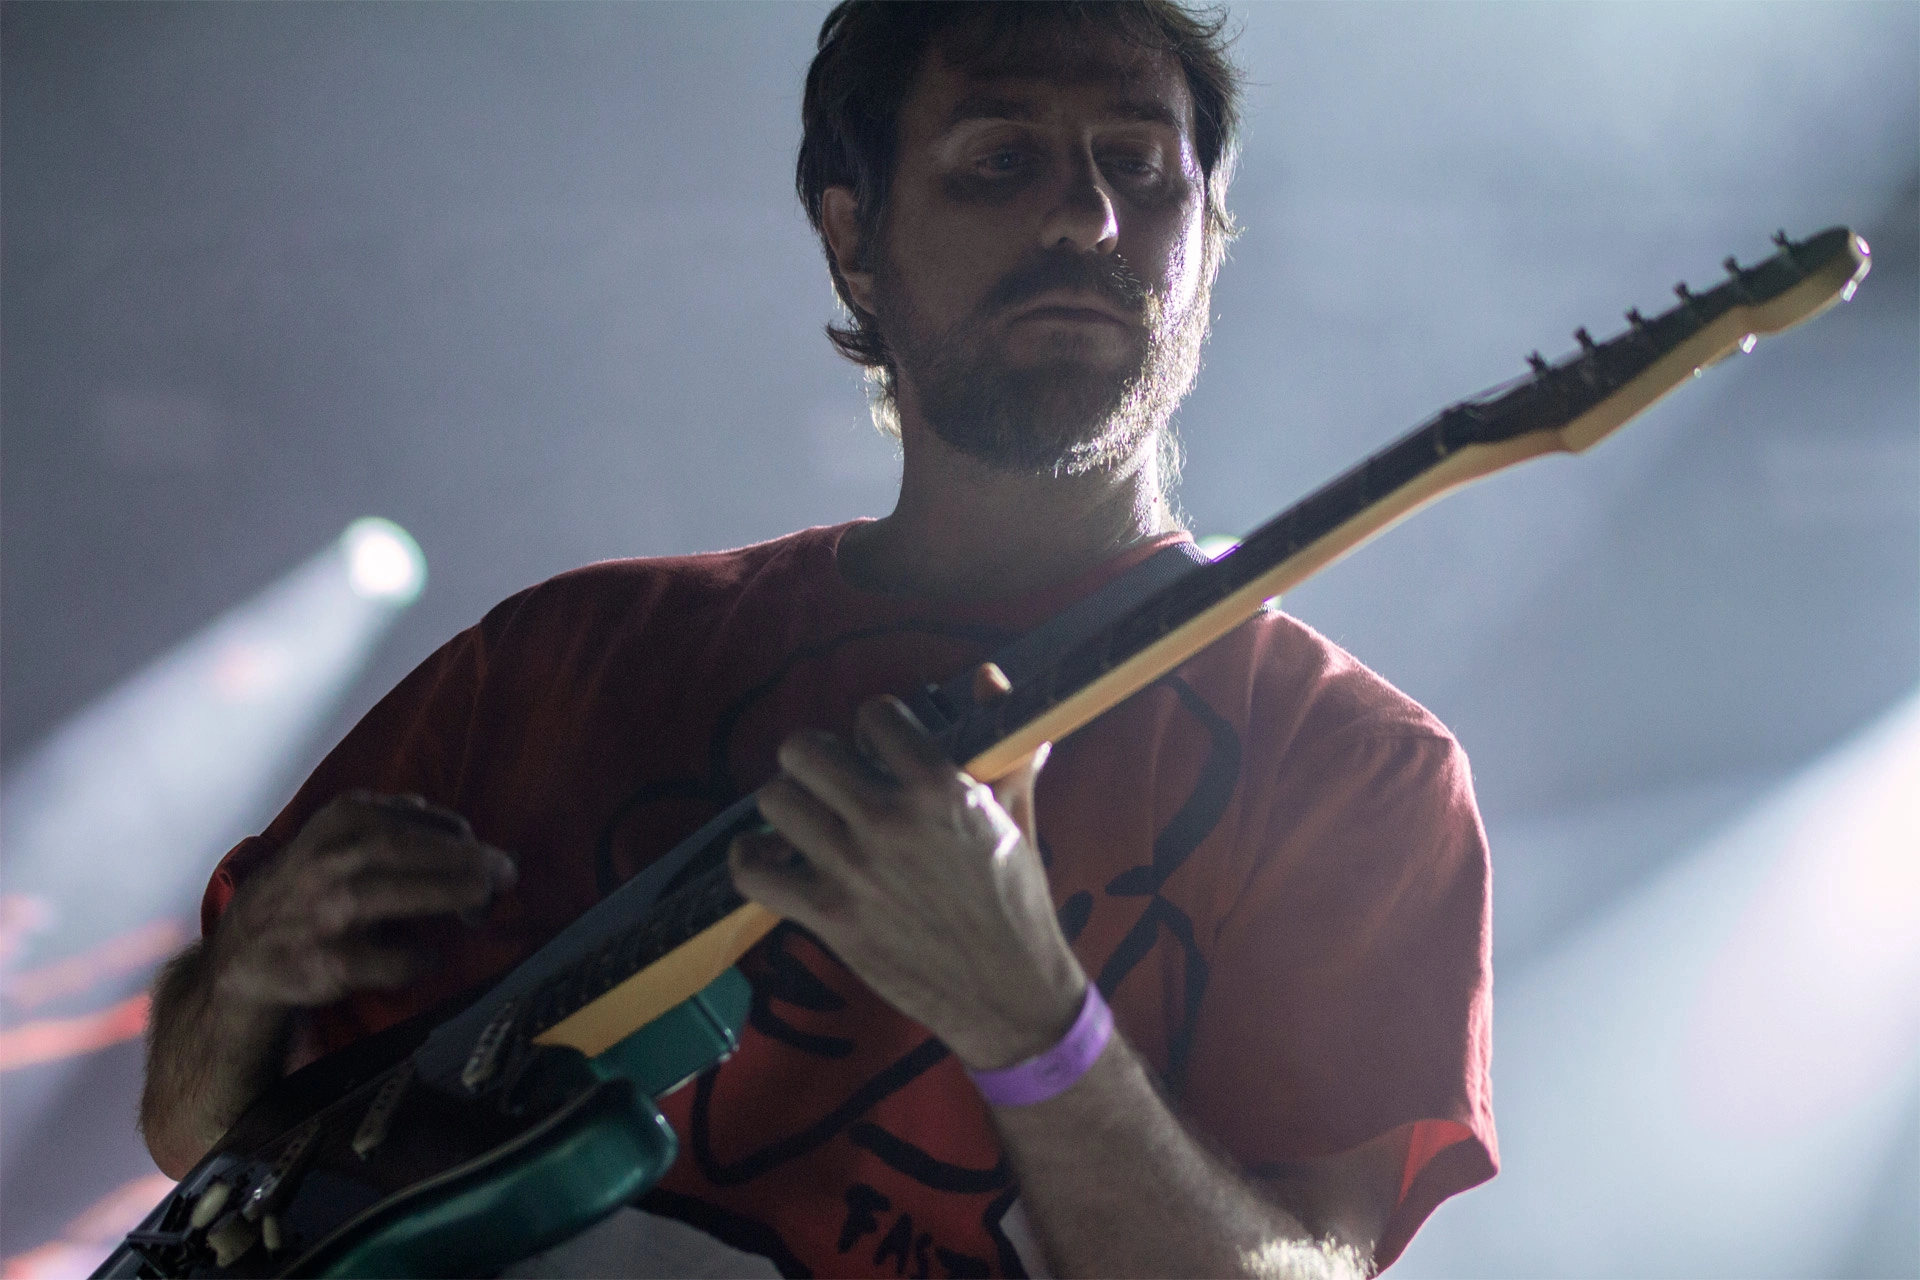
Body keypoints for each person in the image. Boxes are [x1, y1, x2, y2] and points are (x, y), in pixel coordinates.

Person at [139, 3, 1496, 1275]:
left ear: (1208, 234)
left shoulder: (1352, 765)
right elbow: (195, 1139)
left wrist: (1034, 1023)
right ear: (855, 236)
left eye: (1139, 167)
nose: (1086, 215)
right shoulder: (558, 658)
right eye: (1000, 158)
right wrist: (240, 981)